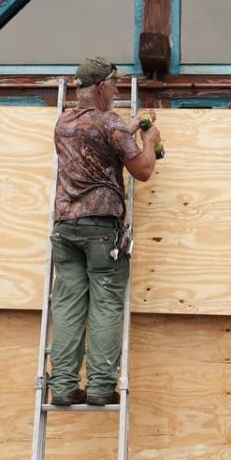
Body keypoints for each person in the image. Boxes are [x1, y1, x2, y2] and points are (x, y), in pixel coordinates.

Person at [47, 56, 160, 406]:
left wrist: (126, 130)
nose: (117, 90)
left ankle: (63, 386)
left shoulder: (63, 123)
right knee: (106, 307)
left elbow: (96, 139)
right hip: (101, 228)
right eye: (114, 85)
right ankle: (99, 388)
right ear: (100, 87)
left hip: (66, 228)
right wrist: (149, 142)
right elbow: (142, 171)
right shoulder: (109, 123)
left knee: (66, 307)